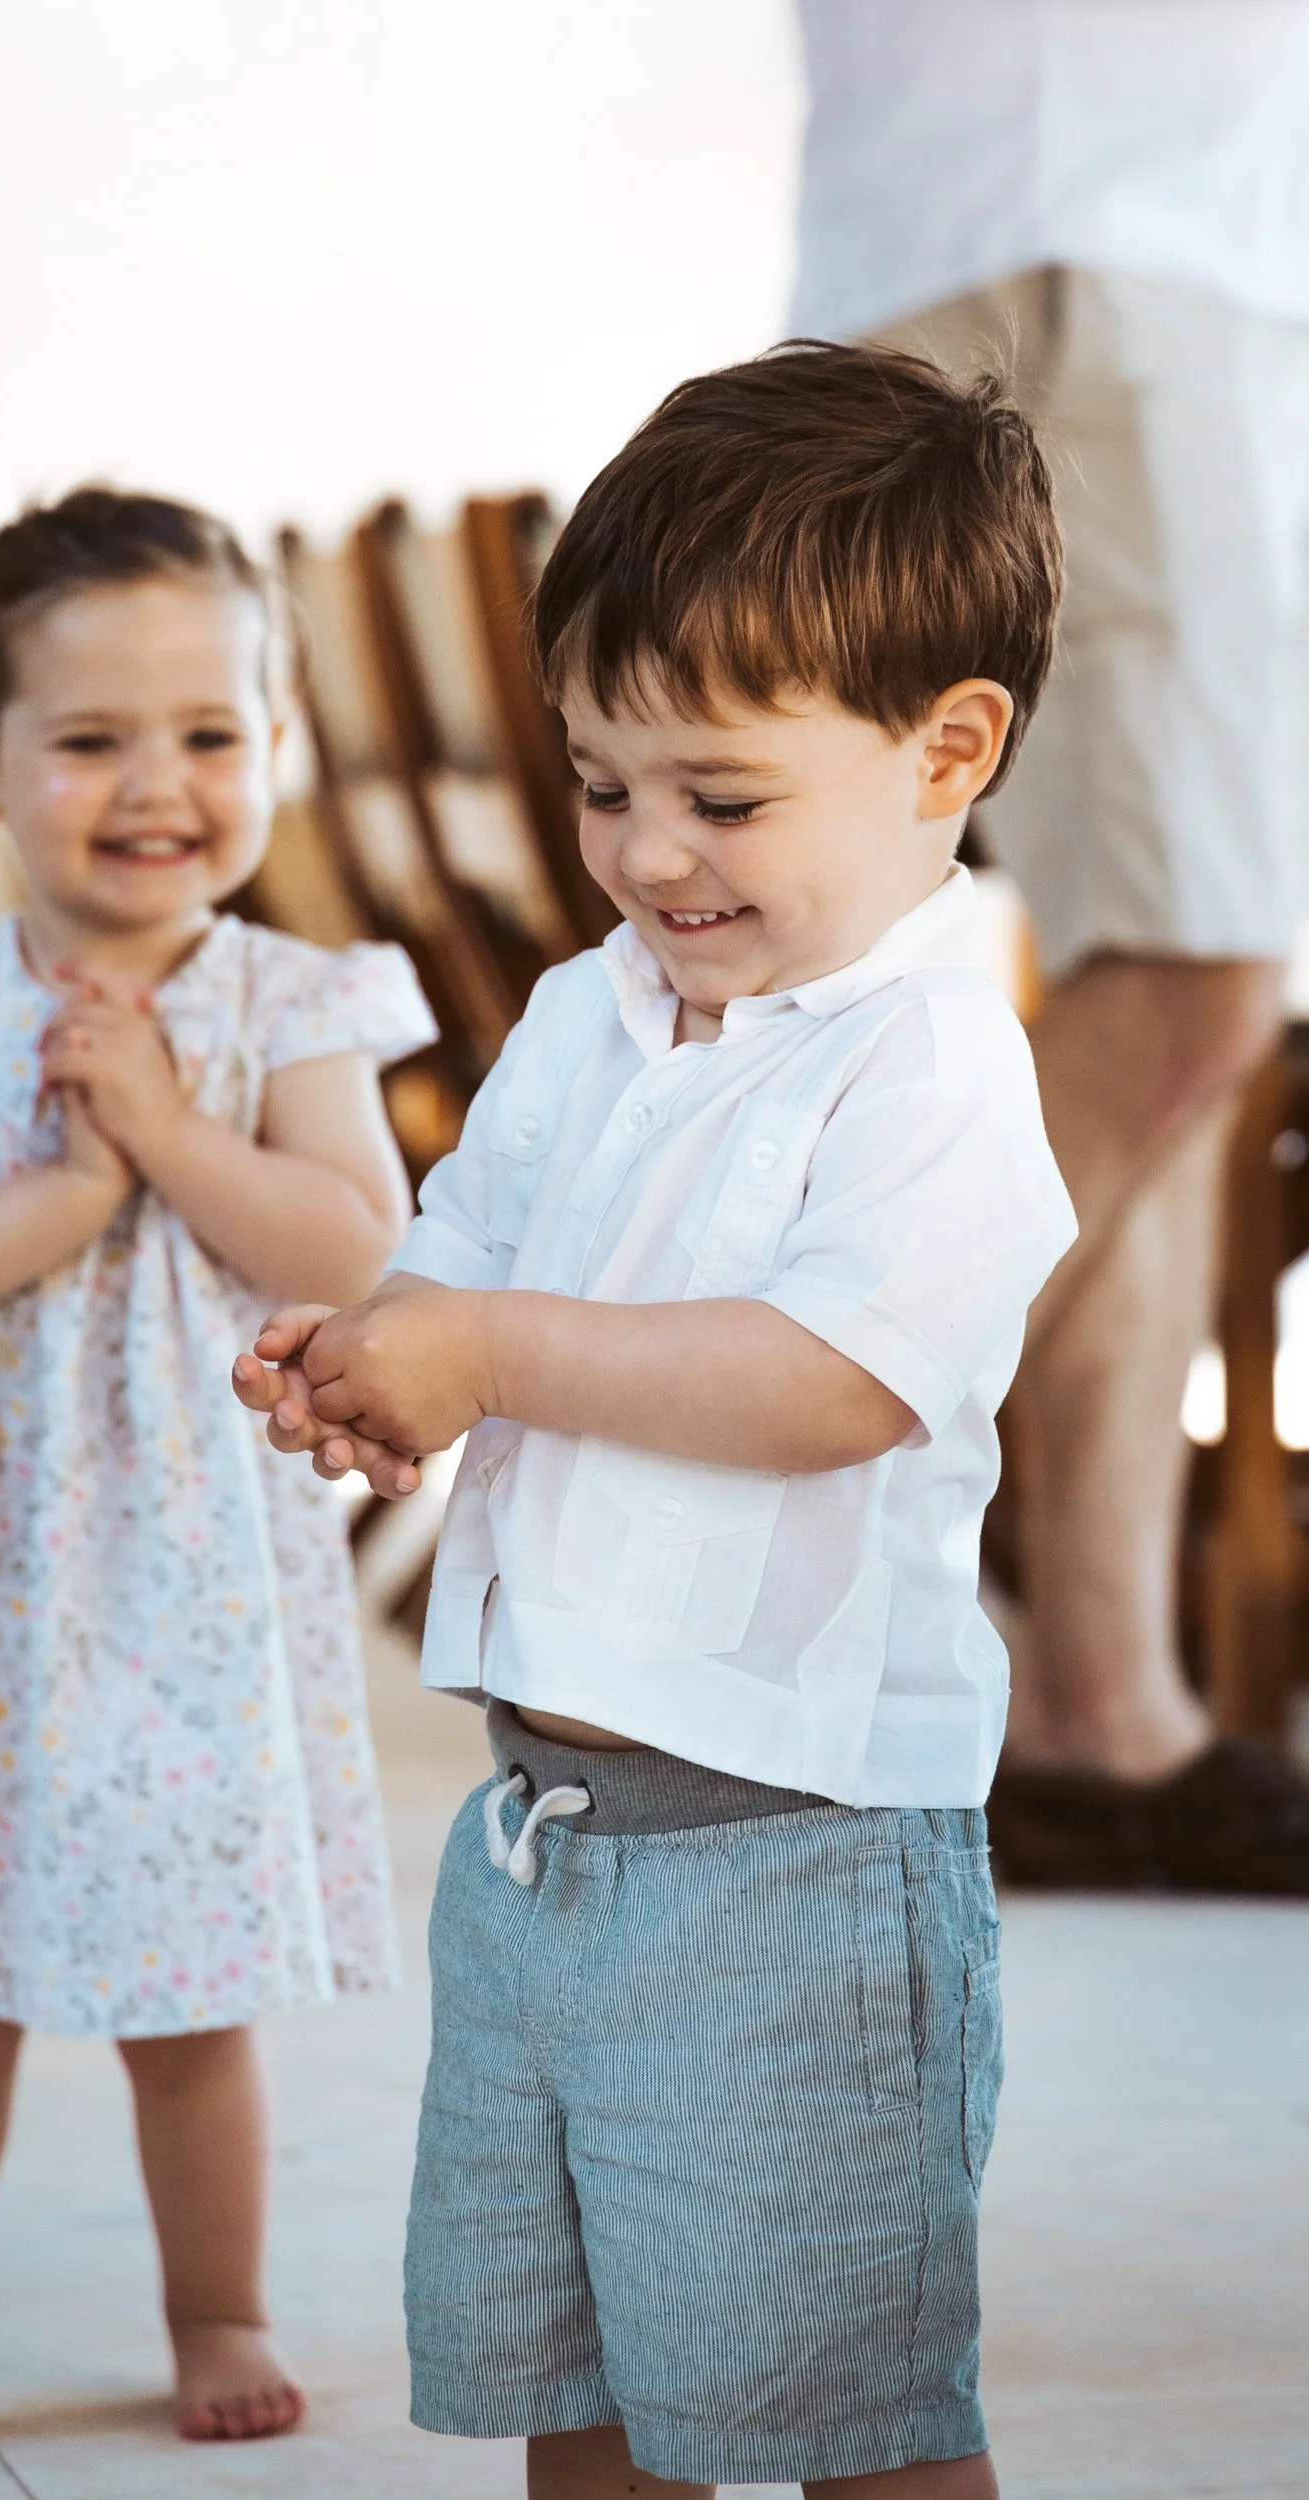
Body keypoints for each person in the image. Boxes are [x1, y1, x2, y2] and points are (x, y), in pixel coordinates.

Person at [236, 343, 1075, 2498]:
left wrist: (492, 1349)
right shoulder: (581, 1015)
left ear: (942, 749)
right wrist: (379, 1350)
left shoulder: (926, 1066)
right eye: (603, 784)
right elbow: (461, 1243)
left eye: (715, 794)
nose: (642, 852)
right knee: (576, 2379)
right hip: (545, 1844)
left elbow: (824, 1383)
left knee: (837, 2401)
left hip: (792, 1865)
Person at [0, 487, 435, 2443]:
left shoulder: (292, 1004)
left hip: (193, 1574)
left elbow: (350, 1243)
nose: (158, 783)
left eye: (209, 733)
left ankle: (218, 2311)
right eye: (91, 738)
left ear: (273, 749)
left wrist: (167, 1129)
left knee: (186, 1989)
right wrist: (68, 1179)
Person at [792, 0, 1309, 1891]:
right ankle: (718, 1503)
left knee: (1148, 996)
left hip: (977, 216)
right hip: (1109, 234)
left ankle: (1106, 1711)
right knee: (1193, 979)